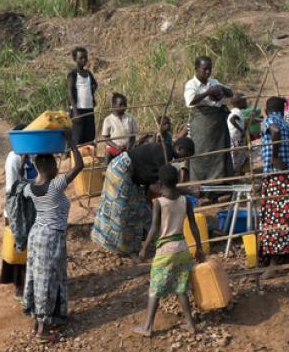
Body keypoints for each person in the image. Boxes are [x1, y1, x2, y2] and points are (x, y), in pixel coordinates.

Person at [23, 139, 85, 343]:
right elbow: (79, 166)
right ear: (49, 167)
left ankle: (44, 319)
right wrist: (71, 140)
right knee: (47, 281)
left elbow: (18, 179)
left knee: (38, 277)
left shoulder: (30, 188)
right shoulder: (55, 186)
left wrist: (25, 156)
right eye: (55, 164)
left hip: (37, 235)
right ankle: (42, 331)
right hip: (51, 237)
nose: (58, 167)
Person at [91, 137, 195, 256]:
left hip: (133, 176)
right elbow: (166, 188)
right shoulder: (164, 153)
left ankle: (131, 247)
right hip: (121, 169)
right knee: (120, 209)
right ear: (180, 148)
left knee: (138, 210)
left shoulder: (167, 155)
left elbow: (156, 184)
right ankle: (116, 246)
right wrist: (188, 191)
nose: (185, 159)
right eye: (186, 155)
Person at [136, 164, 204, 337]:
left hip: (165, 251)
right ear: (178, 181)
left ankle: (148, 327)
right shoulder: (185, 200)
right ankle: (190, 324)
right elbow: (194, 226)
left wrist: (144, 249)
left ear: (160, 183)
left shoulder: (158, 203)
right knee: (181, 288)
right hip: (182, 248)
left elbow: (154, 228)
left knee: (155, 289)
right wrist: (199, 248)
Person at [258, 97, 289, 272]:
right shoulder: (286, 125)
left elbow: (274, 131)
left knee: (276, 219)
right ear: (282, 110)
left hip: (279, 178)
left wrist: (275, 158)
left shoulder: (271, 121)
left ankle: (274, 263)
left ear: (266, 110)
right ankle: (288, 257)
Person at [184, 56, 233, 190]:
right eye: (204, 69)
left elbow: (230, 92)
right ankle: (200, 189)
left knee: (218, 155)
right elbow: (190, 102)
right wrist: (207, 93)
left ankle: (218, 188)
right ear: (196, 69)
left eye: (209, 69)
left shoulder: (213, 81)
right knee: (199, 155)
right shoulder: (191, 85)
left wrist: (221, 89)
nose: (207, 72)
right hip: (201, 125)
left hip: (216, 126)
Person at [3, 125, 37, 299]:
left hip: (29, 209)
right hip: (16, 210)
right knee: (18, 249)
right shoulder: (14, 159)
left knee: (27, 250)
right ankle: (18, 287)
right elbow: (12, 190)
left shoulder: (31, 156)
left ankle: (26, 284)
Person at [67, 47, 98, 146]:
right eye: (81, 58)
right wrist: (75, 111)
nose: (84, 60)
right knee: (77, 136)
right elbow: (70, 92)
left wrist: (91, 95)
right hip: (78, 110)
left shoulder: (88, 73)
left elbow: (95, 84)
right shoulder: (73, 74)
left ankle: (88, 158)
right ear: (75, 59)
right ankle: (73, 158)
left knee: (89, 135)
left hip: (89, 109)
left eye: (85, 57)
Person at [100, 93, 139, 158]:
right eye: (120, 104)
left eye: (125, 104)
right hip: (113, 148)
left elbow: (133, 136)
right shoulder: (108, 120)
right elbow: (106, 138)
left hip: (127, 147)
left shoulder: (130, 118)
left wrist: (130, 146)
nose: (123, 106)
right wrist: (116, 146)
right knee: (108, 155)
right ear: (114, 105)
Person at [227, 93, 250, 174]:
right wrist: (241, 130)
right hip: (235, 139)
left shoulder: (233, 111)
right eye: (245, 101)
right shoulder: (237, 112)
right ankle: (236, 173)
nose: (246, 103)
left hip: (233, 138)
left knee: (236, 156)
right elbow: (232, 120)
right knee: (237, 157)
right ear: (239, 103)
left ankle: (237, 172)